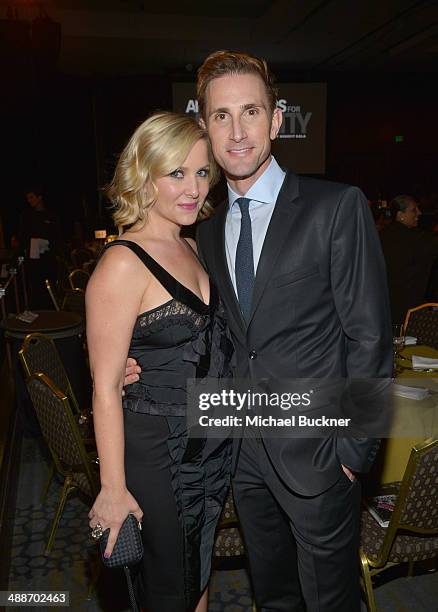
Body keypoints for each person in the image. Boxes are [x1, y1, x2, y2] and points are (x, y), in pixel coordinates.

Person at [125, 51, 392, 611]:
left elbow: (370, 337)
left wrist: (354, 452)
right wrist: (138, 363)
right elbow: (206, 331)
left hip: (319, 451)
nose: (238, 130)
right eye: (222, 116)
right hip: (240, 451)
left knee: (330, 602)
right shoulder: (208, 224)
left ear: (276, 121)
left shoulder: (335, 206)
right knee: (271, 598)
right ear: (206, 127)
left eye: (251, 112)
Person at [86, 112, 233, 612]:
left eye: (201, 172)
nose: (192, 188)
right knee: (169, 589)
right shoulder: (122, 261)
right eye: (176, 173)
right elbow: (105, 387)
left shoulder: (193, 243)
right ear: (144, 176)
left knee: (198, 572)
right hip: (160, 456)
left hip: (211, 450)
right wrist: (112, 488)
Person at [380, 194, 438, 324]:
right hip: (408, 312)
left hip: (383, 308)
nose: (419, 213)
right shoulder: (414, 239)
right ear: (400, 215)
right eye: (414, 210)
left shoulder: (381, 236)